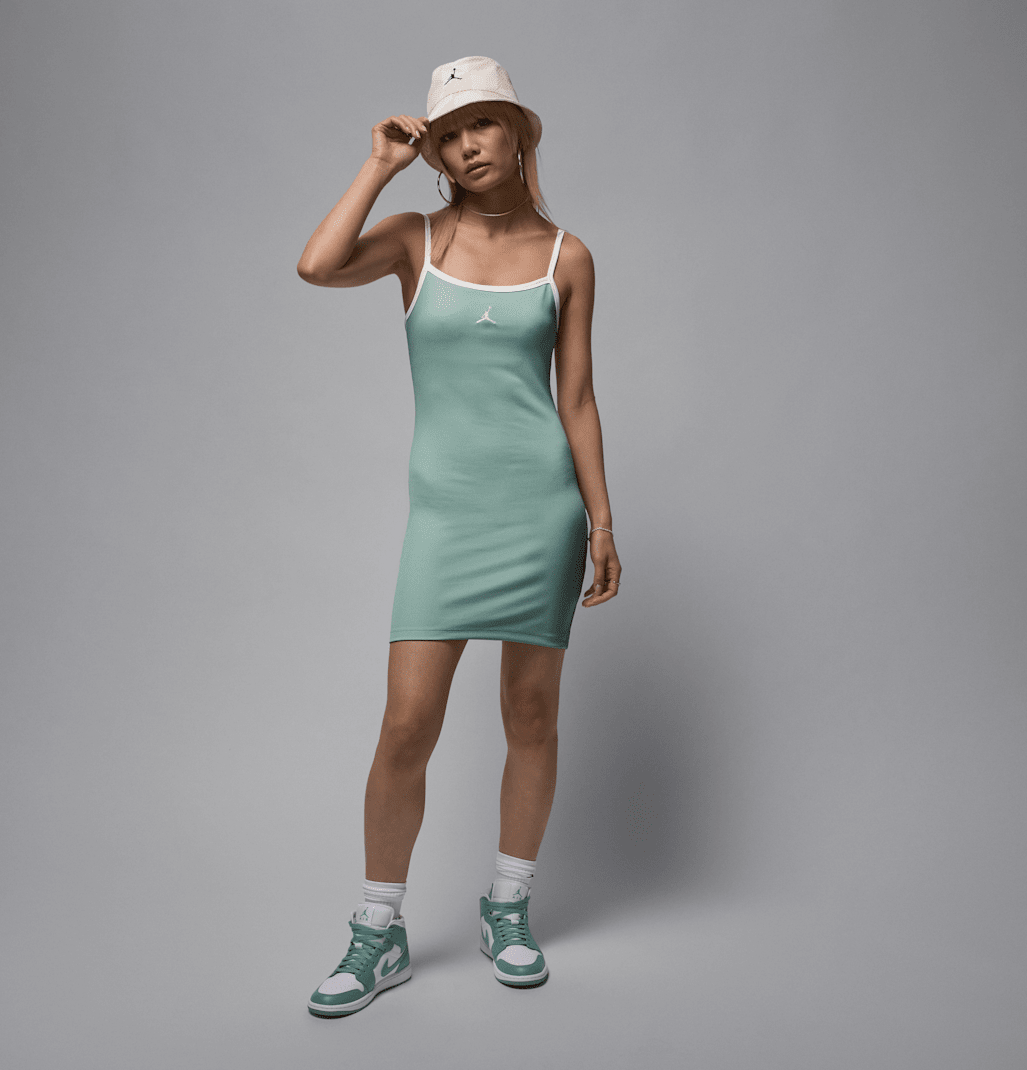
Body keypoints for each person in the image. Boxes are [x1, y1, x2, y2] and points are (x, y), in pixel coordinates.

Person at [297, 56, 621, 1017]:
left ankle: (507, 908)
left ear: (518, 131)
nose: (466, 145)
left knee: (532, 717)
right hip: (445, 518)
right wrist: (379, 166)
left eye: (481, 123)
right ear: (432, 152)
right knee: (406, 726)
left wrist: (603, 519)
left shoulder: (569, 256)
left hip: (543, 513)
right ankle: (378, 930)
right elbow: (316, 265)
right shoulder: (415, 239)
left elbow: (577, 397)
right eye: (447, 134)